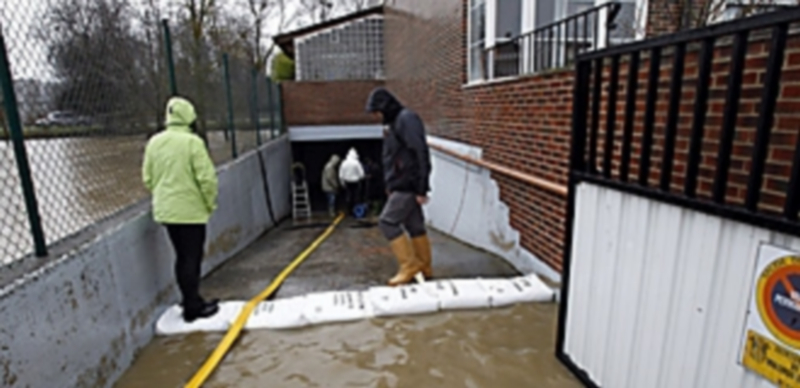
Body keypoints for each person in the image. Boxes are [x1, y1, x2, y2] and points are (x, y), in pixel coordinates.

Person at [142, 97, 219, 323]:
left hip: (166, 211)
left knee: (181, 257)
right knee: (192, 257)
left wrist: (164, 196)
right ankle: (193, 307)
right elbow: (207, 179)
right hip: (191, 211)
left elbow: (147, 178)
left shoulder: (154, 142)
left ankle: (189, 300)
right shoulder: (192, 143)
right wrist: (209, 204)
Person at [365, 87, 433, 286]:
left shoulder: (405, 120)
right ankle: (424, 266)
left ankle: (409, 266)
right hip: (402, 184)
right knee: (414, 226)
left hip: (407, 185)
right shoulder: (397, 123)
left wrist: (421, 188)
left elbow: (420, 152)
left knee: (387, 222)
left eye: (377, 112)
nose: (376, 117)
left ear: (385, 107)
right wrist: (390, 184)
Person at [339, 148, 365, 216]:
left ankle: (348, 211)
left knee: (348, 197)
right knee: (356, 197)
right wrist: (360, 179)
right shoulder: (356, 163)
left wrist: (342, 182)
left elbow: (341, 174)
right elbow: (362, 174)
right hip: (356, 182)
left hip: (347, 182)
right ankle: (356, 212)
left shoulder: (344, 163)